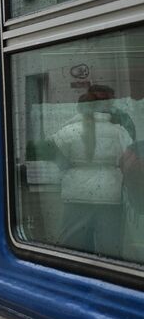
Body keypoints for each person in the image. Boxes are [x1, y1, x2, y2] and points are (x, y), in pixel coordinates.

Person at [50, 86, 132, 258]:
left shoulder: (67, 131)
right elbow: (128, 162)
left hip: (76, 193)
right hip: (110, 194)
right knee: (110, 246)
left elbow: (56, 159)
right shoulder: (119, 132)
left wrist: (71, 172)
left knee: (72, 245)